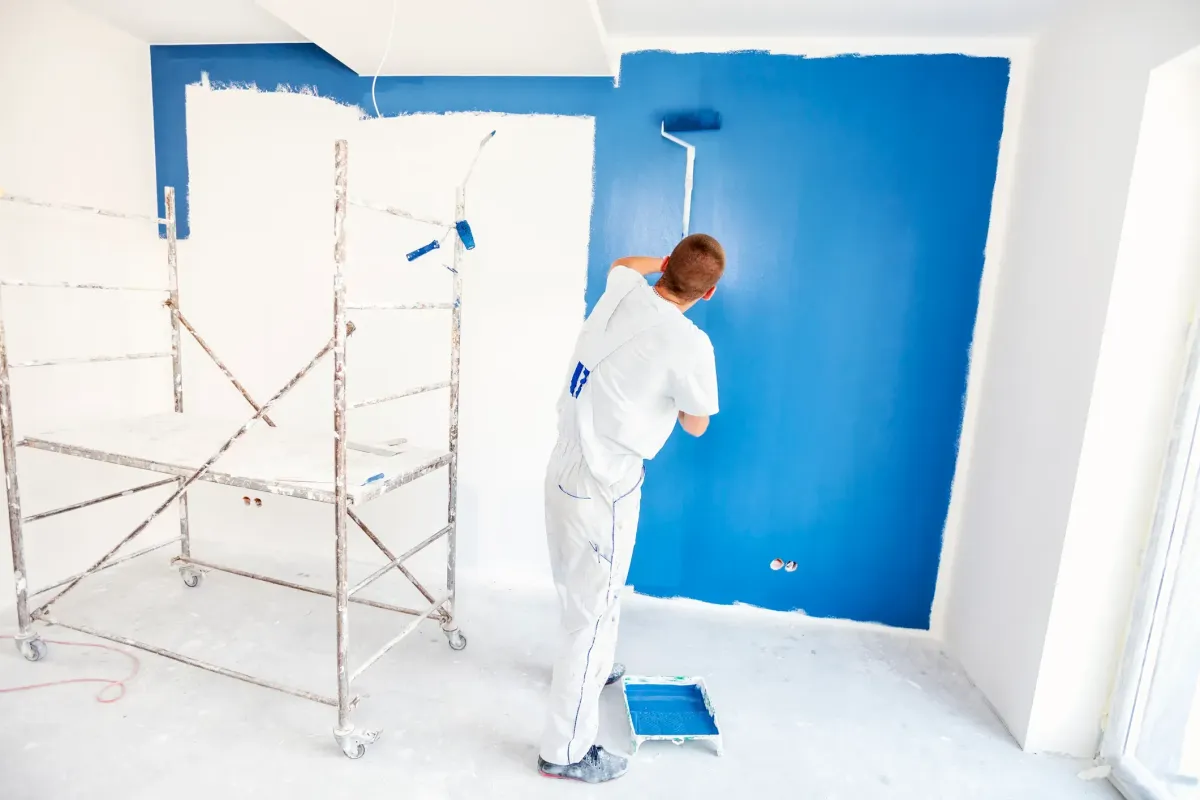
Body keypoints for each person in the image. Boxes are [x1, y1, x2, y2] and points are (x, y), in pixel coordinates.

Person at [537, 233, 725, 783]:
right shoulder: (690, 344)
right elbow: (696, 424)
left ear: (664, 265)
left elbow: (623, 263)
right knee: (591, 613)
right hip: (605, 483)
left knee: (590, 591)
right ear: (709, 293)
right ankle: (566, 752)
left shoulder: (623, 288)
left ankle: (591, 676)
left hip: (565, 463)